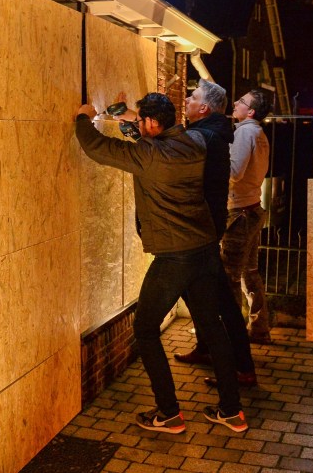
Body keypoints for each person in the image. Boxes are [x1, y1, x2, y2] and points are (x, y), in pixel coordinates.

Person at [75, 93, 248, 434]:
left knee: (145, 328)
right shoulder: (194, 141)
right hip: (203, 248)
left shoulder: (149, 155)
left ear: (153, 123)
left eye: (142, 122)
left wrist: (84, 116)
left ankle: (168, 412)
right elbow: (155, 143)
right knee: (212, 328)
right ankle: (232, 411)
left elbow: (96, 147)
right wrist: (132, 121)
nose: (139, 126)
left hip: (175, 255)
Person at [175, 80, 257, 388]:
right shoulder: (210, 134)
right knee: (207, 297)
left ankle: (240, 371)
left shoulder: (203, 136)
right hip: (204, 228)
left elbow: (166, 149)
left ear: (204, 108)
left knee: (220, 303)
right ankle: (211, 350)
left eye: (193, 97)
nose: (187, 99)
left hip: (199, 231)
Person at [223, 89, 273, 343]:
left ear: (251, 111)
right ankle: (260, 329)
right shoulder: (260, 134)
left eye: (241, 101)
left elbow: (233, 172)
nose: (235, 103)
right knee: (250, 272)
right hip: (253, 209)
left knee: (230, 276)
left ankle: (232, 336)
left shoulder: (244, 132)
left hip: (239, 213)